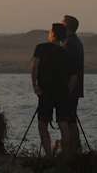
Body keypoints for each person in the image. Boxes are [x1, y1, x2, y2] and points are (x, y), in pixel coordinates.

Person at [31, 22, 75, 156]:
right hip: (61, 92)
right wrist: (68, 91)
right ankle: (65, 155)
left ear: (52, 33)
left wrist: (35, 85)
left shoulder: (41, 48)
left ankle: (49, 155)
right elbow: (74, 78)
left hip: (46, 91)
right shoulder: (66, 54)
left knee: (43, 124)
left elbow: (34, 66)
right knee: (63, 122)